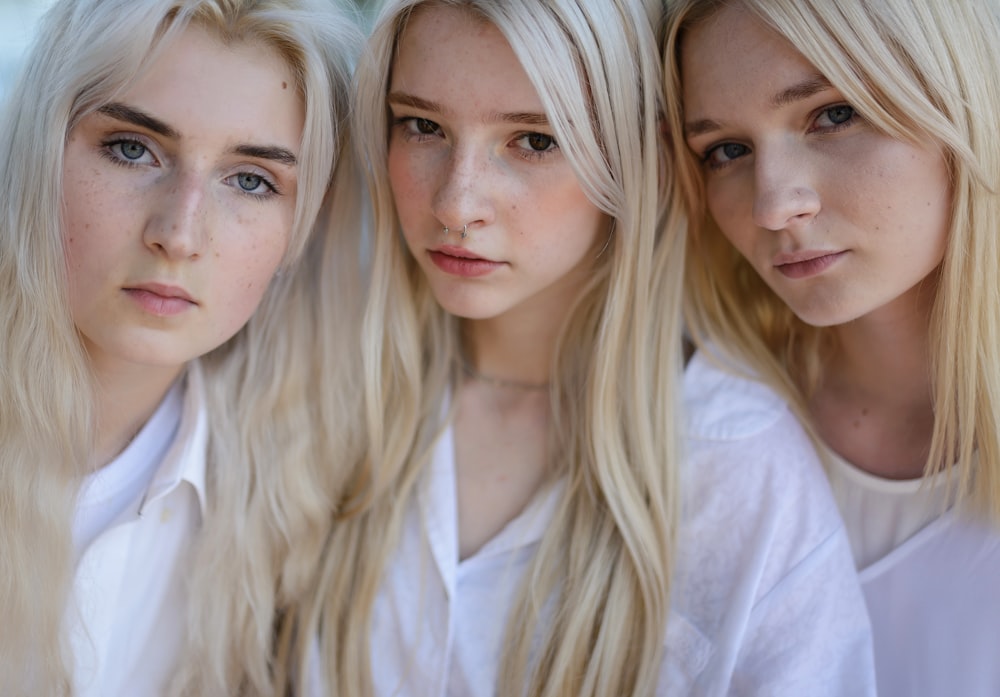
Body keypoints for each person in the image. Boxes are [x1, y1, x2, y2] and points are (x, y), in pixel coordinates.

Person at [280, 1, 875, 695]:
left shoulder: (735, 466)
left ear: (640, 160)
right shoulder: (317, 393)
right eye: (423, 126)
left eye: (533, 140)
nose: (455, 201)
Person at [0, 0, 362, 695]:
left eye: (251, 180)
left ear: (302, 231)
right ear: (41, 149)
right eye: (133, 148)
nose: (180, 232)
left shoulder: (294, 510)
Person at [662, 0, 1000, 694]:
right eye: (727, 149)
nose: (772, 205)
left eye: (834, 114)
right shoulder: (701, 435)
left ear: (962, 95)